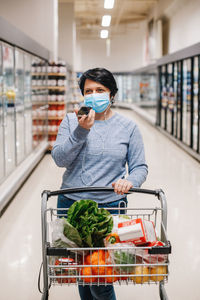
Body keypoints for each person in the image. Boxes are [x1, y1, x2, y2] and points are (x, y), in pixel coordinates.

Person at [51, 67, 148, 300]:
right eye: (88, 91)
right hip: (71, 206)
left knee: (100, 277)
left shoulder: (128, 128)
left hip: (109, 208)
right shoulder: (70, 121)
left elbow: (139, 167)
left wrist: (130, 180)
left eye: (100, 90)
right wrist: (80, 131)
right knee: (81, 272)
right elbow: (59, 159)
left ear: (112, 94)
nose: (94, 95)